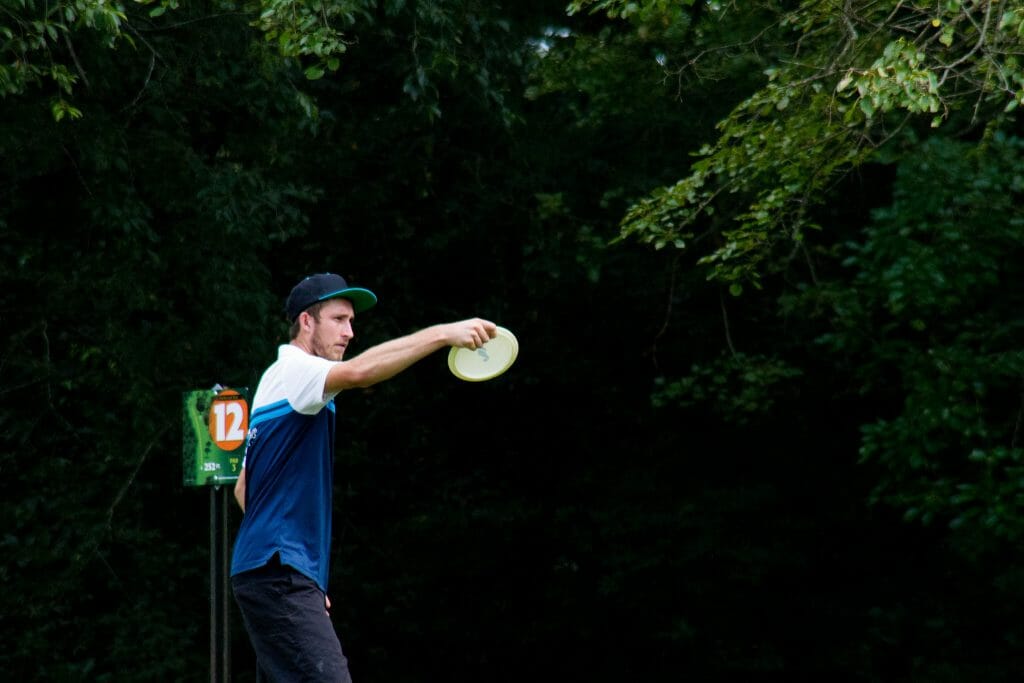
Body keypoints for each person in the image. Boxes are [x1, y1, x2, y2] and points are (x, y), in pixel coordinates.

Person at [230, 272, 496, 682]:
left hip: (268, 570)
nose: (349, 332)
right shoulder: (299, 370)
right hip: (278, 571)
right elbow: (358, 373)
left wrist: (295, 570)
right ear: (306, 322)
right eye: (338, 319)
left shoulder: (273, 381)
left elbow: (243, 487)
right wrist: (444, 334)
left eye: (352, 322)